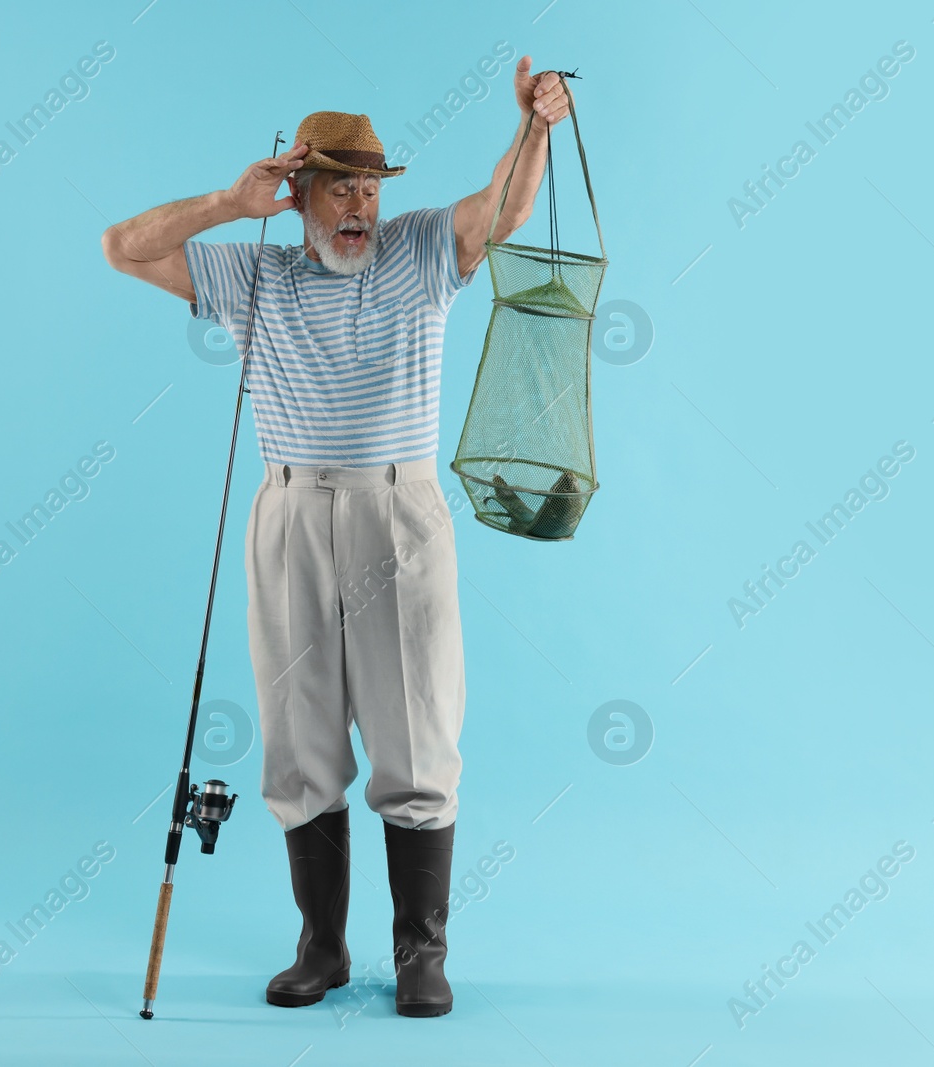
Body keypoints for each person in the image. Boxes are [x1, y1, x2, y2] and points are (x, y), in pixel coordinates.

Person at [101, 56, 571, 1018]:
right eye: (337, 186)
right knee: (297, 735)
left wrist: (537, 127)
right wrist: (233, 203)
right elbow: (122, 245)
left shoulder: (420, 250)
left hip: (397, 509)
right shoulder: (255, 271)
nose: (358, 204)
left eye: (368, 185)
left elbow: (505, 211)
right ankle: (320, 944)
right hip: (289, 512)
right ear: (299, 193)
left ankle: (420, 953)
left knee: (416, 729)